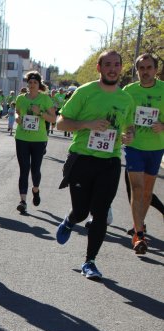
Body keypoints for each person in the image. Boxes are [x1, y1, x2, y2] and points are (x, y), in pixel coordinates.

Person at [55, 50, 134, 280]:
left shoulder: (125, 99)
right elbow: (60, 123)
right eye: (107, 64)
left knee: (100, 213)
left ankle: (90, 262)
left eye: (116, 64)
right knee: (80, 212)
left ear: (121, 68)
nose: (112, 68)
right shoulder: (85, 92)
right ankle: (70, 220)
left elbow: (129, 127)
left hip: (109, 162)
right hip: (82, 159)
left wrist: (128, 135)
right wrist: (87, 124)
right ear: (99, 68)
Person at [122, 53, 164, 254]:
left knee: (147, 193)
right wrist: (126, 132)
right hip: (135, 147)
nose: (145, 72)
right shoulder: (128, 91)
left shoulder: (163, 90)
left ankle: (140, 225)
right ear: (136, 71)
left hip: (156, 148)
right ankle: (139, 235)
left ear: (156, 70)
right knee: (137, 189)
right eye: (141, 68)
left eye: (149, 68)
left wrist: (163, 125)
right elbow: (123, 118)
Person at [14, 71, 56, 214]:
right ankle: (23, 201)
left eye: (35, 83)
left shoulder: (45, 99)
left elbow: (53, 119)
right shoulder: (20, 98)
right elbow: (17, 112)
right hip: (22, 138)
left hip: (38, 139)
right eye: (30, 83)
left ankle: (35, 189)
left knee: (35, 169)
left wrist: (39, 113)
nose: (32, 85)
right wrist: (17, 117)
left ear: (39, 85)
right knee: (24, 169)